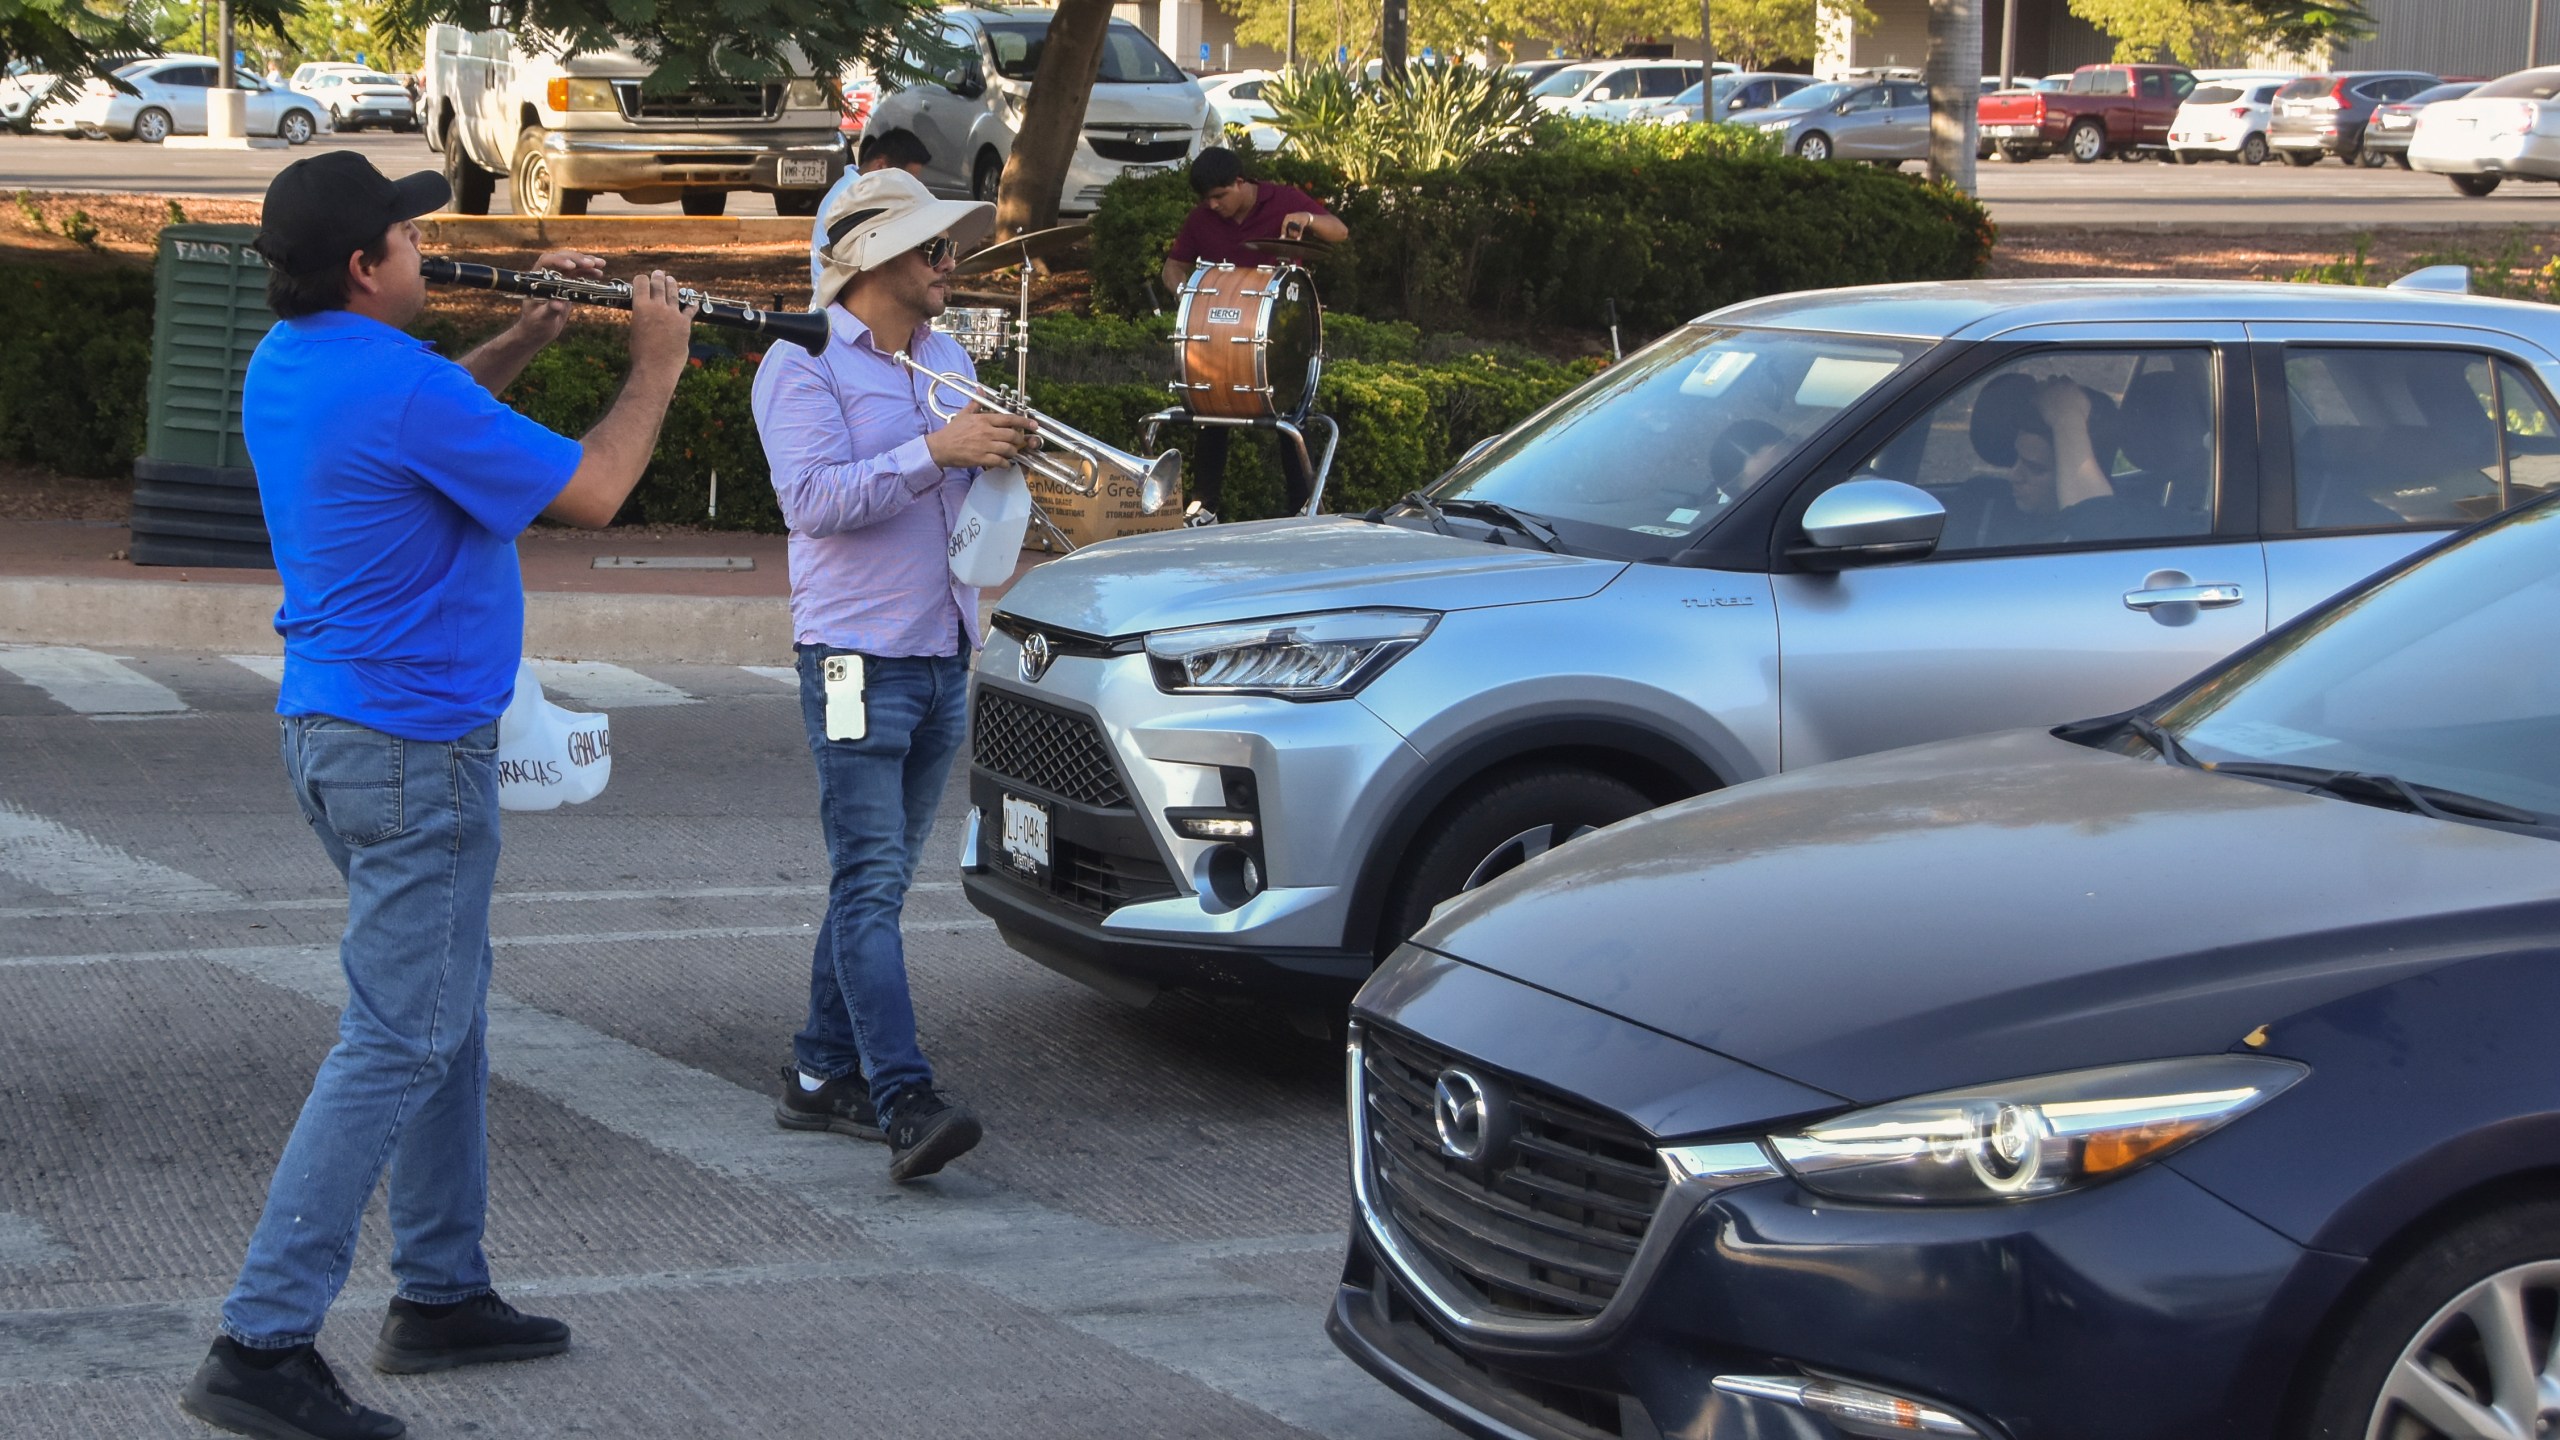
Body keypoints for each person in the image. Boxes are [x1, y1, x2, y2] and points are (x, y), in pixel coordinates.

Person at [178, 151, 697, 1440]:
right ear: (367, 267)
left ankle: (442, 1292)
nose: (428, 250)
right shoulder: (398, 387)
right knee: (400, 1034)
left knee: (442, 1014)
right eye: (411, 238)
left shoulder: (294, 362)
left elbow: (434, 428)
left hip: (337, 735)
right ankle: (260, 1341)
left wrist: (521, 334)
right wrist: (658, 364)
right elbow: (592, 492)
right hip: (413, 751)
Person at [755, 167, 1030, 1183]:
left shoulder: (946, 354)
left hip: (941, 649)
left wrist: (997, 453)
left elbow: (958, 487)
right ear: (873, 259)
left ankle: (822, 1071)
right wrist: (935, 448)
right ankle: (903, 1096)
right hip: (852, 660)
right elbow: (815, 502)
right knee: (869, 882)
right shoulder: (803, 367)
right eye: (931, 248)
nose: (948, 263)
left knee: (874, 882)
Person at [1157, 147, 1348, 523]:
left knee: (1289, 412)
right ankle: (1205, 507)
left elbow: (1339, 231)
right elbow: (1172, 268)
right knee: (1211, 407)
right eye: (1206, 198)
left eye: (1219, 196)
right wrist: (1188, 297)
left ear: (1240, 183)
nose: (1212, 205)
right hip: (1220, 332)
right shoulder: (1201, 219)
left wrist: (1307, 218)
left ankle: (1301, 509)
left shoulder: (1283, 199)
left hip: (1277, 330)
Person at [1964, 371, 2125, 547]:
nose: (2014, 475)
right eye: (2017, 457)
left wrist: (2067, 419)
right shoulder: (1980, 505)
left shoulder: (2120, 536)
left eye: (2035, 469)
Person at [807, 128, 934, 301]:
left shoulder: (859, 190)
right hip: (844, 305)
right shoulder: (852, 200)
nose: (911, 185)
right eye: (907, 177)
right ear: (880, 166)